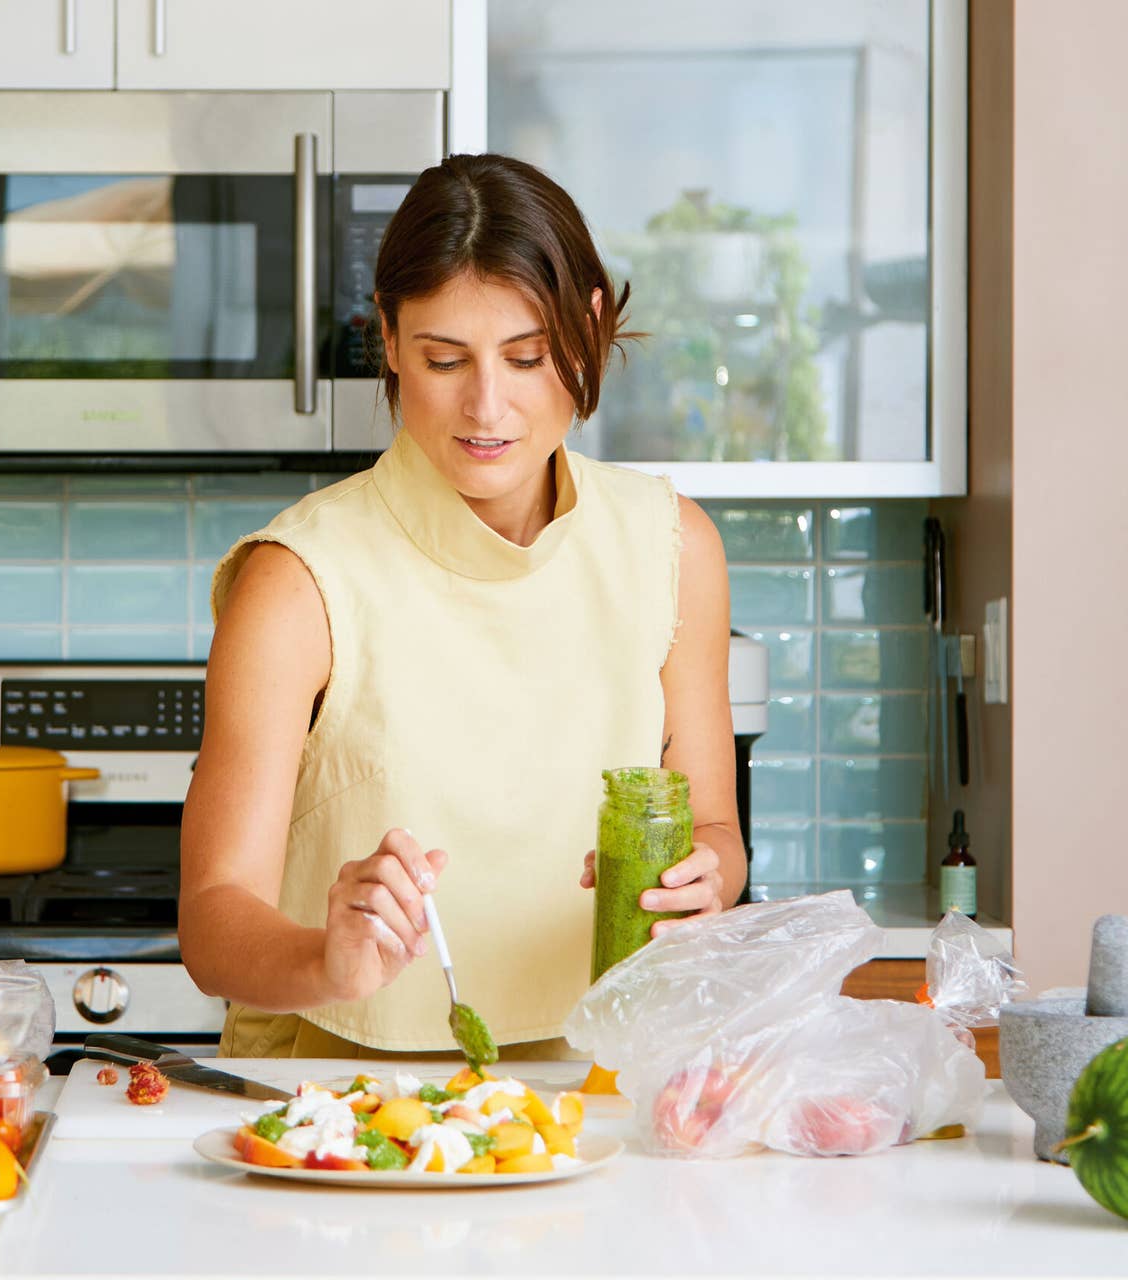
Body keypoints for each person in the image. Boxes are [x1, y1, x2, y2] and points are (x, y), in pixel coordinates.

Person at [179, 153, 746, 1060]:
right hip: (335, 1100)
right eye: (445, 359)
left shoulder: (673, 548)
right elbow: (213, 922)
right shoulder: (298, 580)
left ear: (590, 329)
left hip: (596, 1084)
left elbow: (715, 826)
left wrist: (705, 877)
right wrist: (329, 956)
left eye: (526, 356)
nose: (488, 407)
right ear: (391, 342)